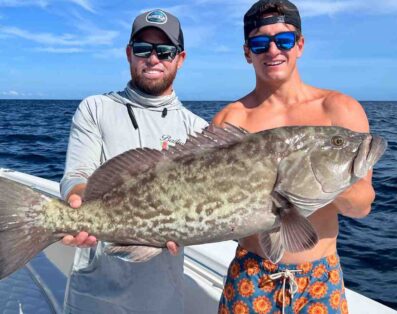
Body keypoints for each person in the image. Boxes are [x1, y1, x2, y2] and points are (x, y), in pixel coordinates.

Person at [214, 0, 374, 313]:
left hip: (320, 279)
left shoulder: (339, 109)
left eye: (283, 40)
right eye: (260, 43)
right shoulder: (229, 120)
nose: (273, 50)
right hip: (250, 273)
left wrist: (311, 175)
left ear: (299, 45)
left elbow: (362, 206)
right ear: (247, 53)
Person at [59, 9, 208, 314]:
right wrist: (77, 200)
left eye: (165, 51)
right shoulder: (95, 108)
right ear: (129, 54)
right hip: (92, 296)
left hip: (162, 300)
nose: (153, 59)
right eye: (143, 49)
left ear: (180, 59)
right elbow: (77, 175)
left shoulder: (198, 131)